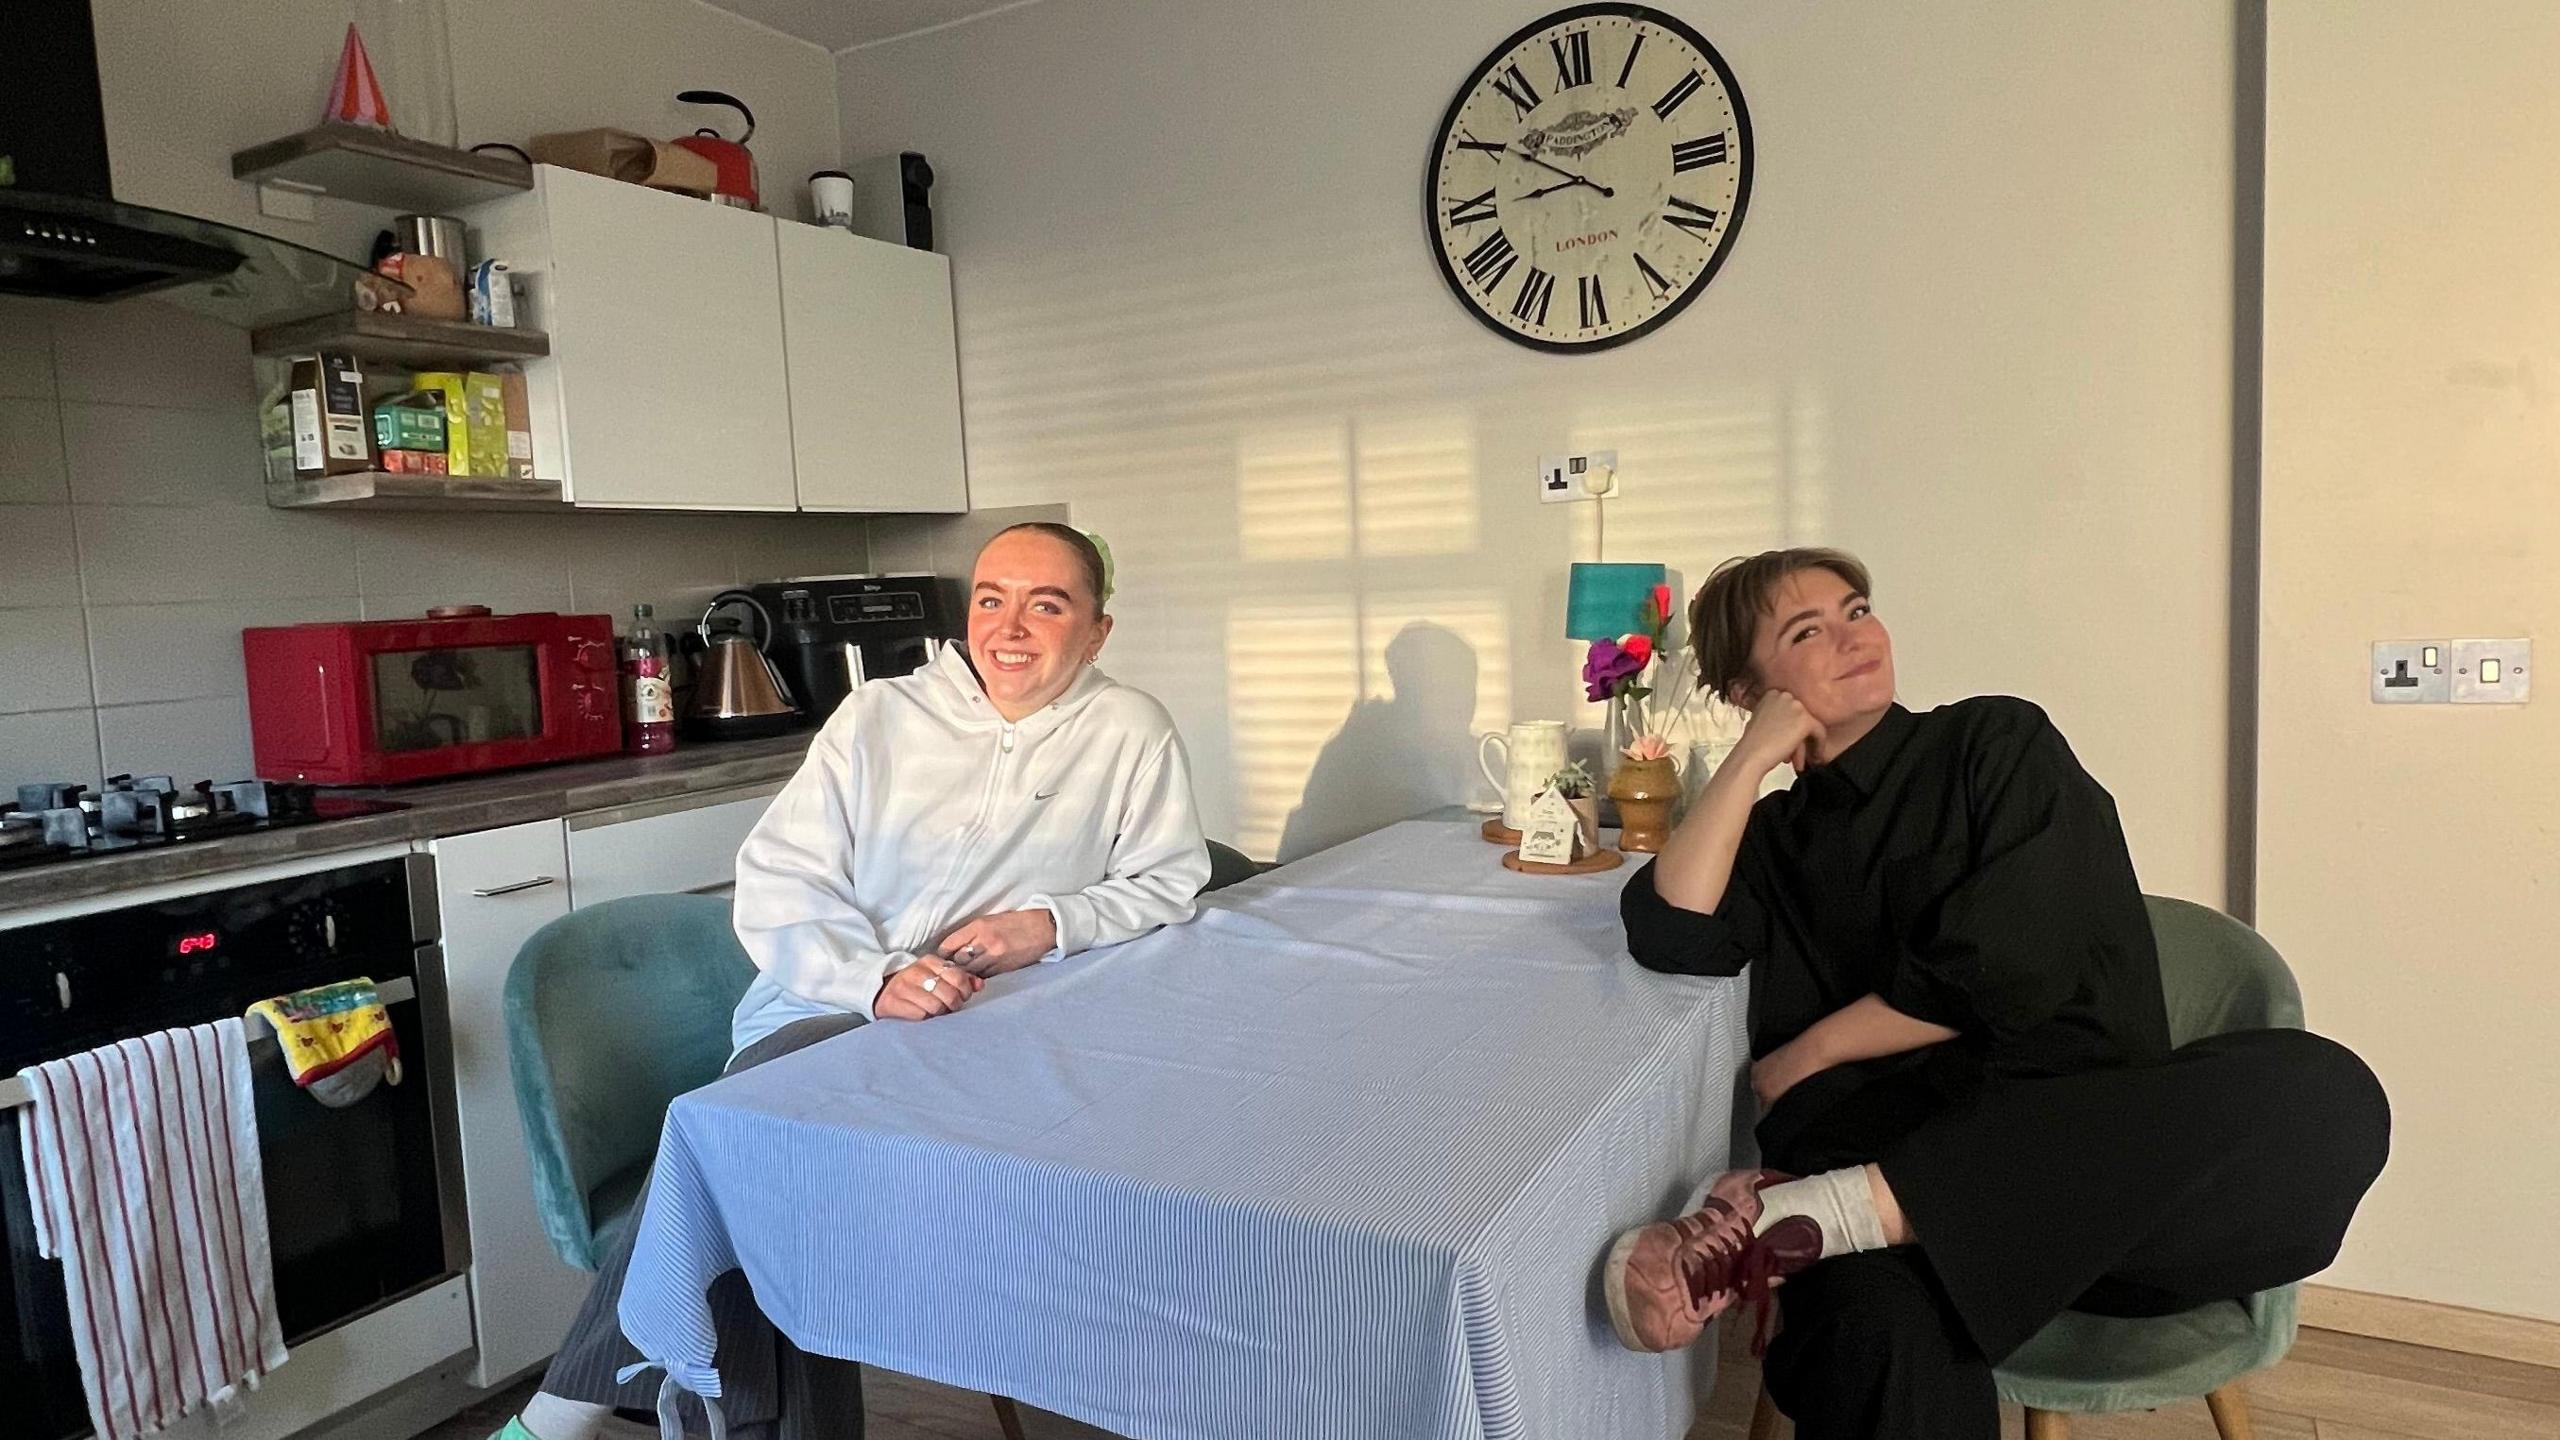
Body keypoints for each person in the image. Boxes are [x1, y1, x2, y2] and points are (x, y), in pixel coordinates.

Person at [1602, 548, 2389, 1440]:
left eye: (1856, 610)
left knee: (2326, 1095)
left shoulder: (1993, 741)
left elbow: (2015, 962)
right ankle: (1830, 1220)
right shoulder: (1773, 837)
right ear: (1750, 689)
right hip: (1903, 1240)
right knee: (1869, 1338)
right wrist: (1747, 762)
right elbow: (1668, 931)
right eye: (1806, 631)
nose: (1853, 636)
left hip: (2100, 1196)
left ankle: (1808, 1215)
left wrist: (1820, 1046)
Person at [491, 522, 1211, 1440]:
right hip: (825, 1006)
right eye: (992, 597)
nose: (1011, 624)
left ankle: (559, 1416)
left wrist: (1049, 924)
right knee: (756, 1144)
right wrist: (873, 980)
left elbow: (1169, 880)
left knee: (750, 1160)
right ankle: (571, 1416)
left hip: (983, 1031)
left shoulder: (1128, 729)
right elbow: (780, 880)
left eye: (1049, 602)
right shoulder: (880, 717)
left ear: (1098, 630)